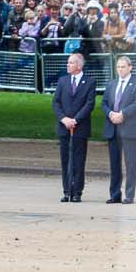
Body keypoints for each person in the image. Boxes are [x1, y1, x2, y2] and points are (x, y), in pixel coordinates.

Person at [51, 50, 96, 203]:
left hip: (80, 128)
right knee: (65, 160)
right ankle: (66, 191)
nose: (68, 65)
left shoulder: (89, 82)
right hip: (64, 127)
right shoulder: (63, 81)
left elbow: (89, 104)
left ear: (79, 66)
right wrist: (63, 118)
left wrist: (75, 120)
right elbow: (56, 102)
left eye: (71, 63)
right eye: (68, 62)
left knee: (78, 160)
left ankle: (77, 191)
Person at [101, 54, 136, 204]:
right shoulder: (112, 84)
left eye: (123, 67)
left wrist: (122, 114)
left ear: (130, 67)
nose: (120, 69)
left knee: (130, 164)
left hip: (129, 129)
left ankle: (129, 195)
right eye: (118, 67)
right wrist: (111, 114)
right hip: (113, 129)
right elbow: (104, 103)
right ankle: (114, 194)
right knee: (114, 164)